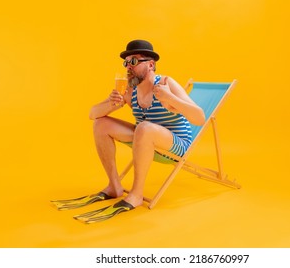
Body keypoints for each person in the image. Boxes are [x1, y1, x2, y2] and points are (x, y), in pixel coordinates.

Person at [88, 39, 205, 216]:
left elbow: (199, 118)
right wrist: (112, 104)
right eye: (126, 62)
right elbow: (92, 114)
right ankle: (114, 186)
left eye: (133, 61)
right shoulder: (129, 90)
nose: (128, 66)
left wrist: (170, 98)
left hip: (176, 144)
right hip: (145, 137)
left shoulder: (166, 83)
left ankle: (136, 194)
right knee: (101, 124)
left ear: (150, 64)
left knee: (143, 127)